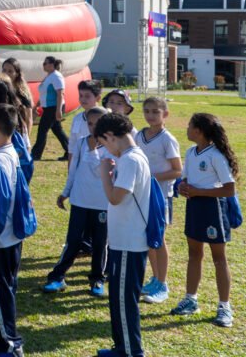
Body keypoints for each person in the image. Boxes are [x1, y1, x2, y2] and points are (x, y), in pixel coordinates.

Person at [170, 112, 239, 329]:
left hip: (213, 209)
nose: (187, 129)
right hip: (195, 207)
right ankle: (191, 299)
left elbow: (229, 189)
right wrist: (182, 186)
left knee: (219, 258)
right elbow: (187, 180)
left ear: (198, 130)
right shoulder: (191, 152)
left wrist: (199, 191)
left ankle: (224, 306)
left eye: (189, 125)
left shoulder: (215, 156)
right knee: (194, 254)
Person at [94, 111, 152, 357]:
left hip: (130, 242)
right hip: (123, 241)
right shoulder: (132, 157)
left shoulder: (130, 160)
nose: (105, 150)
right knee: (118, 298)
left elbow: (116, 197)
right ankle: (122, 347)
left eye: (103, 143)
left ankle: (131, 351)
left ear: (110, 136)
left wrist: (105, 176)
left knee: (124, 301)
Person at [43, 107, 110, 296]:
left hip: (101, 203)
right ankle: (57, 277)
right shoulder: (81, 143)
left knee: (100, 243)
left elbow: (103, 171)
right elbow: (73, 170)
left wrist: (94, 150)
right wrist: (65, 192)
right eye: (90, 123)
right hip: (80, 200)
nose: (93, 127)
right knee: (73, 240)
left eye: (98, 123)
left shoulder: (112, 148)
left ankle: (97, 279)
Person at [0, 103, 26, 357]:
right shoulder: (12, 150)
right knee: (7, 287)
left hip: (1, 237)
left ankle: (10, 342)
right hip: (13, 235)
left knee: (0, 292)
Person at [137, 96, 182, 305]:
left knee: (159, 239)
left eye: (156, 111)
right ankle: (154, 279)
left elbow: (177, 170)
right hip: (141, 195)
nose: (151, 115)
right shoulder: (139, 135)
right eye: (147, 111)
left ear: (165, 114)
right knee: (148, 240)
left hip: (161, 196)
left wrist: (152, 178)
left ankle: (162, 284)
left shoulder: (167, 139)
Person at [32, 56, 68, 161]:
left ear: (52, 65)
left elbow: (60, 94)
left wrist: (58, 110)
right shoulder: (49, 76)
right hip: (49, 107)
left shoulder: (56, 76)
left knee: (42, 130)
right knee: (58, 130)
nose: (43, 65)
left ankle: (35, 154)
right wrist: (37, 104)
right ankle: (71, 152)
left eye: (45, 63)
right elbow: (44, 93)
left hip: (54, 107)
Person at [68, 80, 104, 155]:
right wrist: (71, 165)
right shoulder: (77, 119)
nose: (83, 99)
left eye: (87, 96)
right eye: (80, 95)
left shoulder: (105, 118)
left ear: (98, 98)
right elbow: (72, 145)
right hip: (81, 162)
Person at [1, 58, 33, 135]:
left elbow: (29, 118)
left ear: (17, 74)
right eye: (4, 70)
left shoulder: (22, 92)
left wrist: (26, 140)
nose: (6, 73)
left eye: (10, 71)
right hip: (1, 132)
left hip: (17, 133)